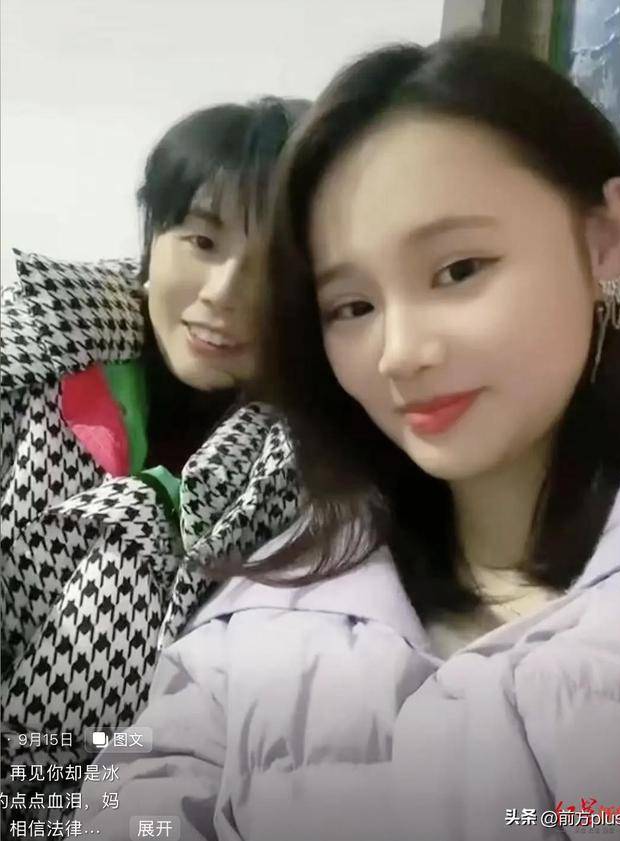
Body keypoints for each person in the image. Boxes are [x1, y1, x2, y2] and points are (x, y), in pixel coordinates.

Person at [79, 37, 620, 841]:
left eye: (459, 269)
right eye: (352, 306)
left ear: (606, 236)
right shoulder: (272, 600)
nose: (399, 353)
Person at [0, 96, 308, 822]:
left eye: (277, 265)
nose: (224, 293)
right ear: (154, 237)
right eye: (201, 240)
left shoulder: (315, 477)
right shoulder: (29, 361)